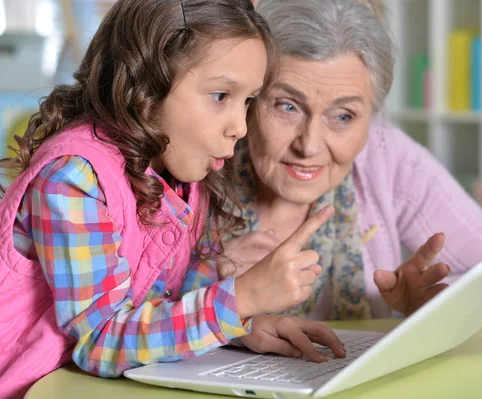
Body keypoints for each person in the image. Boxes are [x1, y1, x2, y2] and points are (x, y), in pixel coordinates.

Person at [0, 1, 344, 397]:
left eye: (248, 100)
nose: (239, 126)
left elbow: (173, 299)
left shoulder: (183, 174)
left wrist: (244, 324)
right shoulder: (75, 178)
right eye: (220, 96)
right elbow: (98, 340)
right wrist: (241, 296)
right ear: (145, 83)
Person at [216, 0, 482, 322]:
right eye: (287, 106)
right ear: (251, 99)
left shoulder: (385, 159)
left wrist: (439, 302)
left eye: (344, 116)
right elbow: (163, 321)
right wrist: (214, 289)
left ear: (371, 118)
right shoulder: (205, 155)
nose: (309, 145)